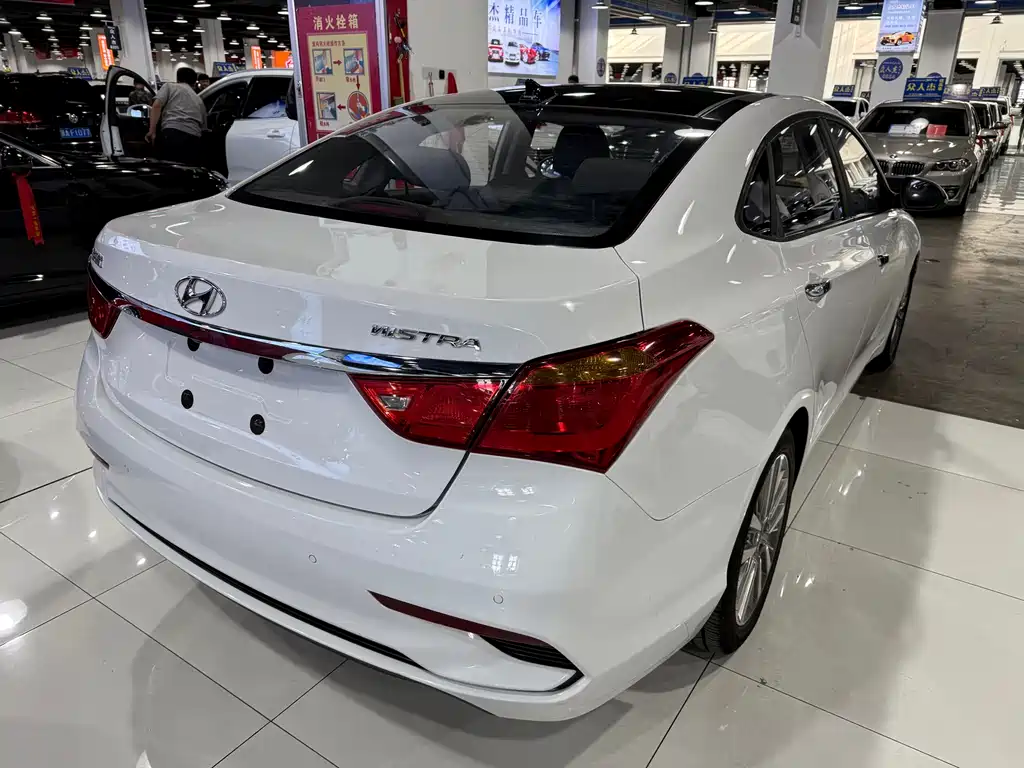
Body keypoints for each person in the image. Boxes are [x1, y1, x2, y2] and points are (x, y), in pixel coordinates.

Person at [147, 67, 207, 165]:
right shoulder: (199, 100)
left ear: (177, 79)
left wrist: (152, 130)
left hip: (172, 133)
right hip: (193, 138)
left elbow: (157, 105)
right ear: (194, 82)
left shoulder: (170, 87)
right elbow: (204, 127)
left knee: (171, 168)